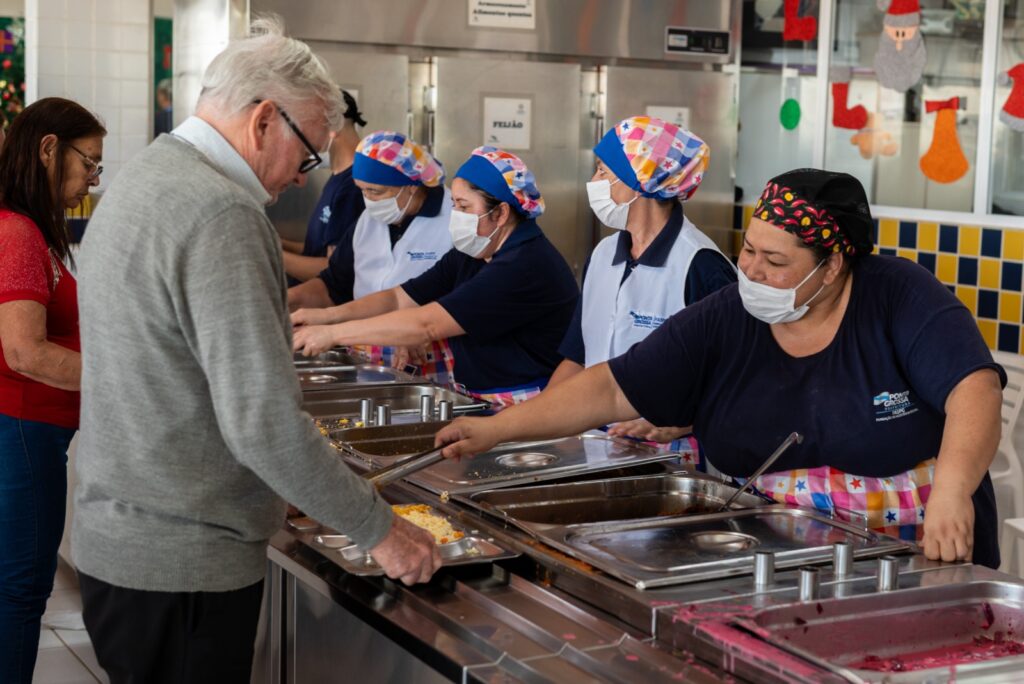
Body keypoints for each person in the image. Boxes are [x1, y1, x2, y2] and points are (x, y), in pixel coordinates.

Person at [74, 18, 439, 684]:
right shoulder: (222, 213)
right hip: (183, 562)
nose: (303, 180)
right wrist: (380, 530)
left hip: (123, 542)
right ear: (263, 119)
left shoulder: (144, 176)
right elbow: (262, 421)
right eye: (306, 157)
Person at [436, 168, 1005, 569]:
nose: (751, 270)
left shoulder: (899, 296)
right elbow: (612, 386)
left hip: (913, 555)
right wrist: (496, 429)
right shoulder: (730, 313)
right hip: (772, 555)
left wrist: (953, 492)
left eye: (775, 261)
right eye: (750, 249)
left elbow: (972, 389)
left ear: (832, 266)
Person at [292, 146, 579, 407]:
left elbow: (427, 324)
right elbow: (398, 298)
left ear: (501, 213)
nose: (456, 215)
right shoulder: (473, 254)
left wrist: (332, 334)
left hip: (530, 400)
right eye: (454, 204)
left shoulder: (524, 264)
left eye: (464, 207)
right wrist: (326, 317)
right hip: (483, 396)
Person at [553, 116, 735, 459]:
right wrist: (531, 424)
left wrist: (683, 423)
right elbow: (578, 357)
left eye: (603, 172)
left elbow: (736, 375)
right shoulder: (604, 254)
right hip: (595, 442)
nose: (593, 182)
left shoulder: (700, 265)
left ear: (640, 181)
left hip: (669, 457)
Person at [0, 97, 105, 684]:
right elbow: (25, 352)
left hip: (30, 433)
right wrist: (130, 379)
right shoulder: (15, 232)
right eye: (88, 163)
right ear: (48, 149)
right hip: (22, 433)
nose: (92, 178)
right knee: (19, 592)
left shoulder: (33, 229)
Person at [287, 130, 453, 377]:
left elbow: (463, 298)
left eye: (376, 191)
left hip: (432, 351)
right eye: (362, 190)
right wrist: (284, 302)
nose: (368, 200)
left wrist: (414, 328)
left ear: (409, 186)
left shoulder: (453, 219)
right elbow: (333, 286)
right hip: (367, 350)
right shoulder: (368, 220)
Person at [280, 89, 366, 284]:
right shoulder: (337, 176)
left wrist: (273, 254)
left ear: (333, 125)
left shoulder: (354, 185)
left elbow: (333, 267)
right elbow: (315, 248)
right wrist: (277, 243)